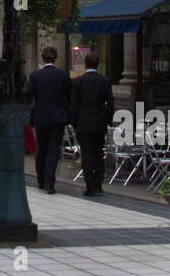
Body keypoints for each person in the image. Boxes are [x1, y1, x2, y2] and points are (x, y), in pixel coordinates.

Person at [26, 45, 71, 194]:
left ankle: (41, 180)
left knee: (42, 148)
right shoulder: (63, 75)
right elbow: (69, 96)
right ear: (55, 58)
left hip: (41, 117)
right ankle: (50, 181)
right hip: (57, 118)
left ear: (43, 58)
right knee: (53, 149)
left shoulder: (35, 76)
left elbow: (29, 96)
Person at [69, 51, 114, 197]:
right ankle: (98, 183)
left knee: (87, 154)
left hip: (83, 122)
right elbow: (110, 105)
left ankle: (89, 184)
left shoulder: (78, 82)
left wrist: (75, 122)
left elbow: (74, 106)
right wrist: (107, 120)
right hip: (99, 122)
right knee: (99, 153)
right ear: (97, 64)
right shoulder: (105, 81)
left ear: (85, 64)